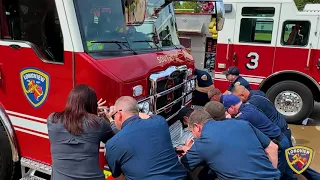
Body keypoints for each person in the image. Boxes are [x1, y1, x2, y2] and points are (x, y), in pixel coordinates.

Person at [233, 85, 320, 180]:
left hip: (280, 134)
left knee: (287, 162)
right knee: (292, 159)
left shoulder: (253, 103)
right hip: (283, 129)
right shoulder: (257, 94)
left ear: (242, 95)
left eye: (238, 99)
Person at [177, 109, 281, 180]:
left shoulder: (203, 142)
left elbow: (183, 164)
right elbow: (272, 147)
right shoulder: (242, 123)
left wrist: (188, 150)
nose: (193, 136)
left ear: (196, 127)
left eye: (191, 132)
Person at [105, 96, 187, 180]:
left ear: (119, 115)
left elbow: (119, 178)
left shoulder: (112, 145)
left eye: (114, 115)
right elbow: (145, 117)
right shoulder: (160, 122)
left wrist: (112, 117)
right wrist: (131, 110)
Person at [47, 84, 115, 180]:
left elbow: (75, 121)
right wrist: (110, 120)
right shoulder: (98, 123)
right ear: (91, 104)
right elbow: (116, 140)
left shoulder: (52, 120)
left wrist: (92, 115)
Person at [222, 94, 297, 180]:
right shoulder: (248, 106)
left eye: (227, 110)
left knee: (275, 175)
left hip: (278, 145)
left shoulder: (244, 116)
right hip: (281, 139)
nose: (227, 112)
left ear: (232, 107)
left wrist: (227, 119)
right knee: (287, 173)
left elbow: (232, 125)